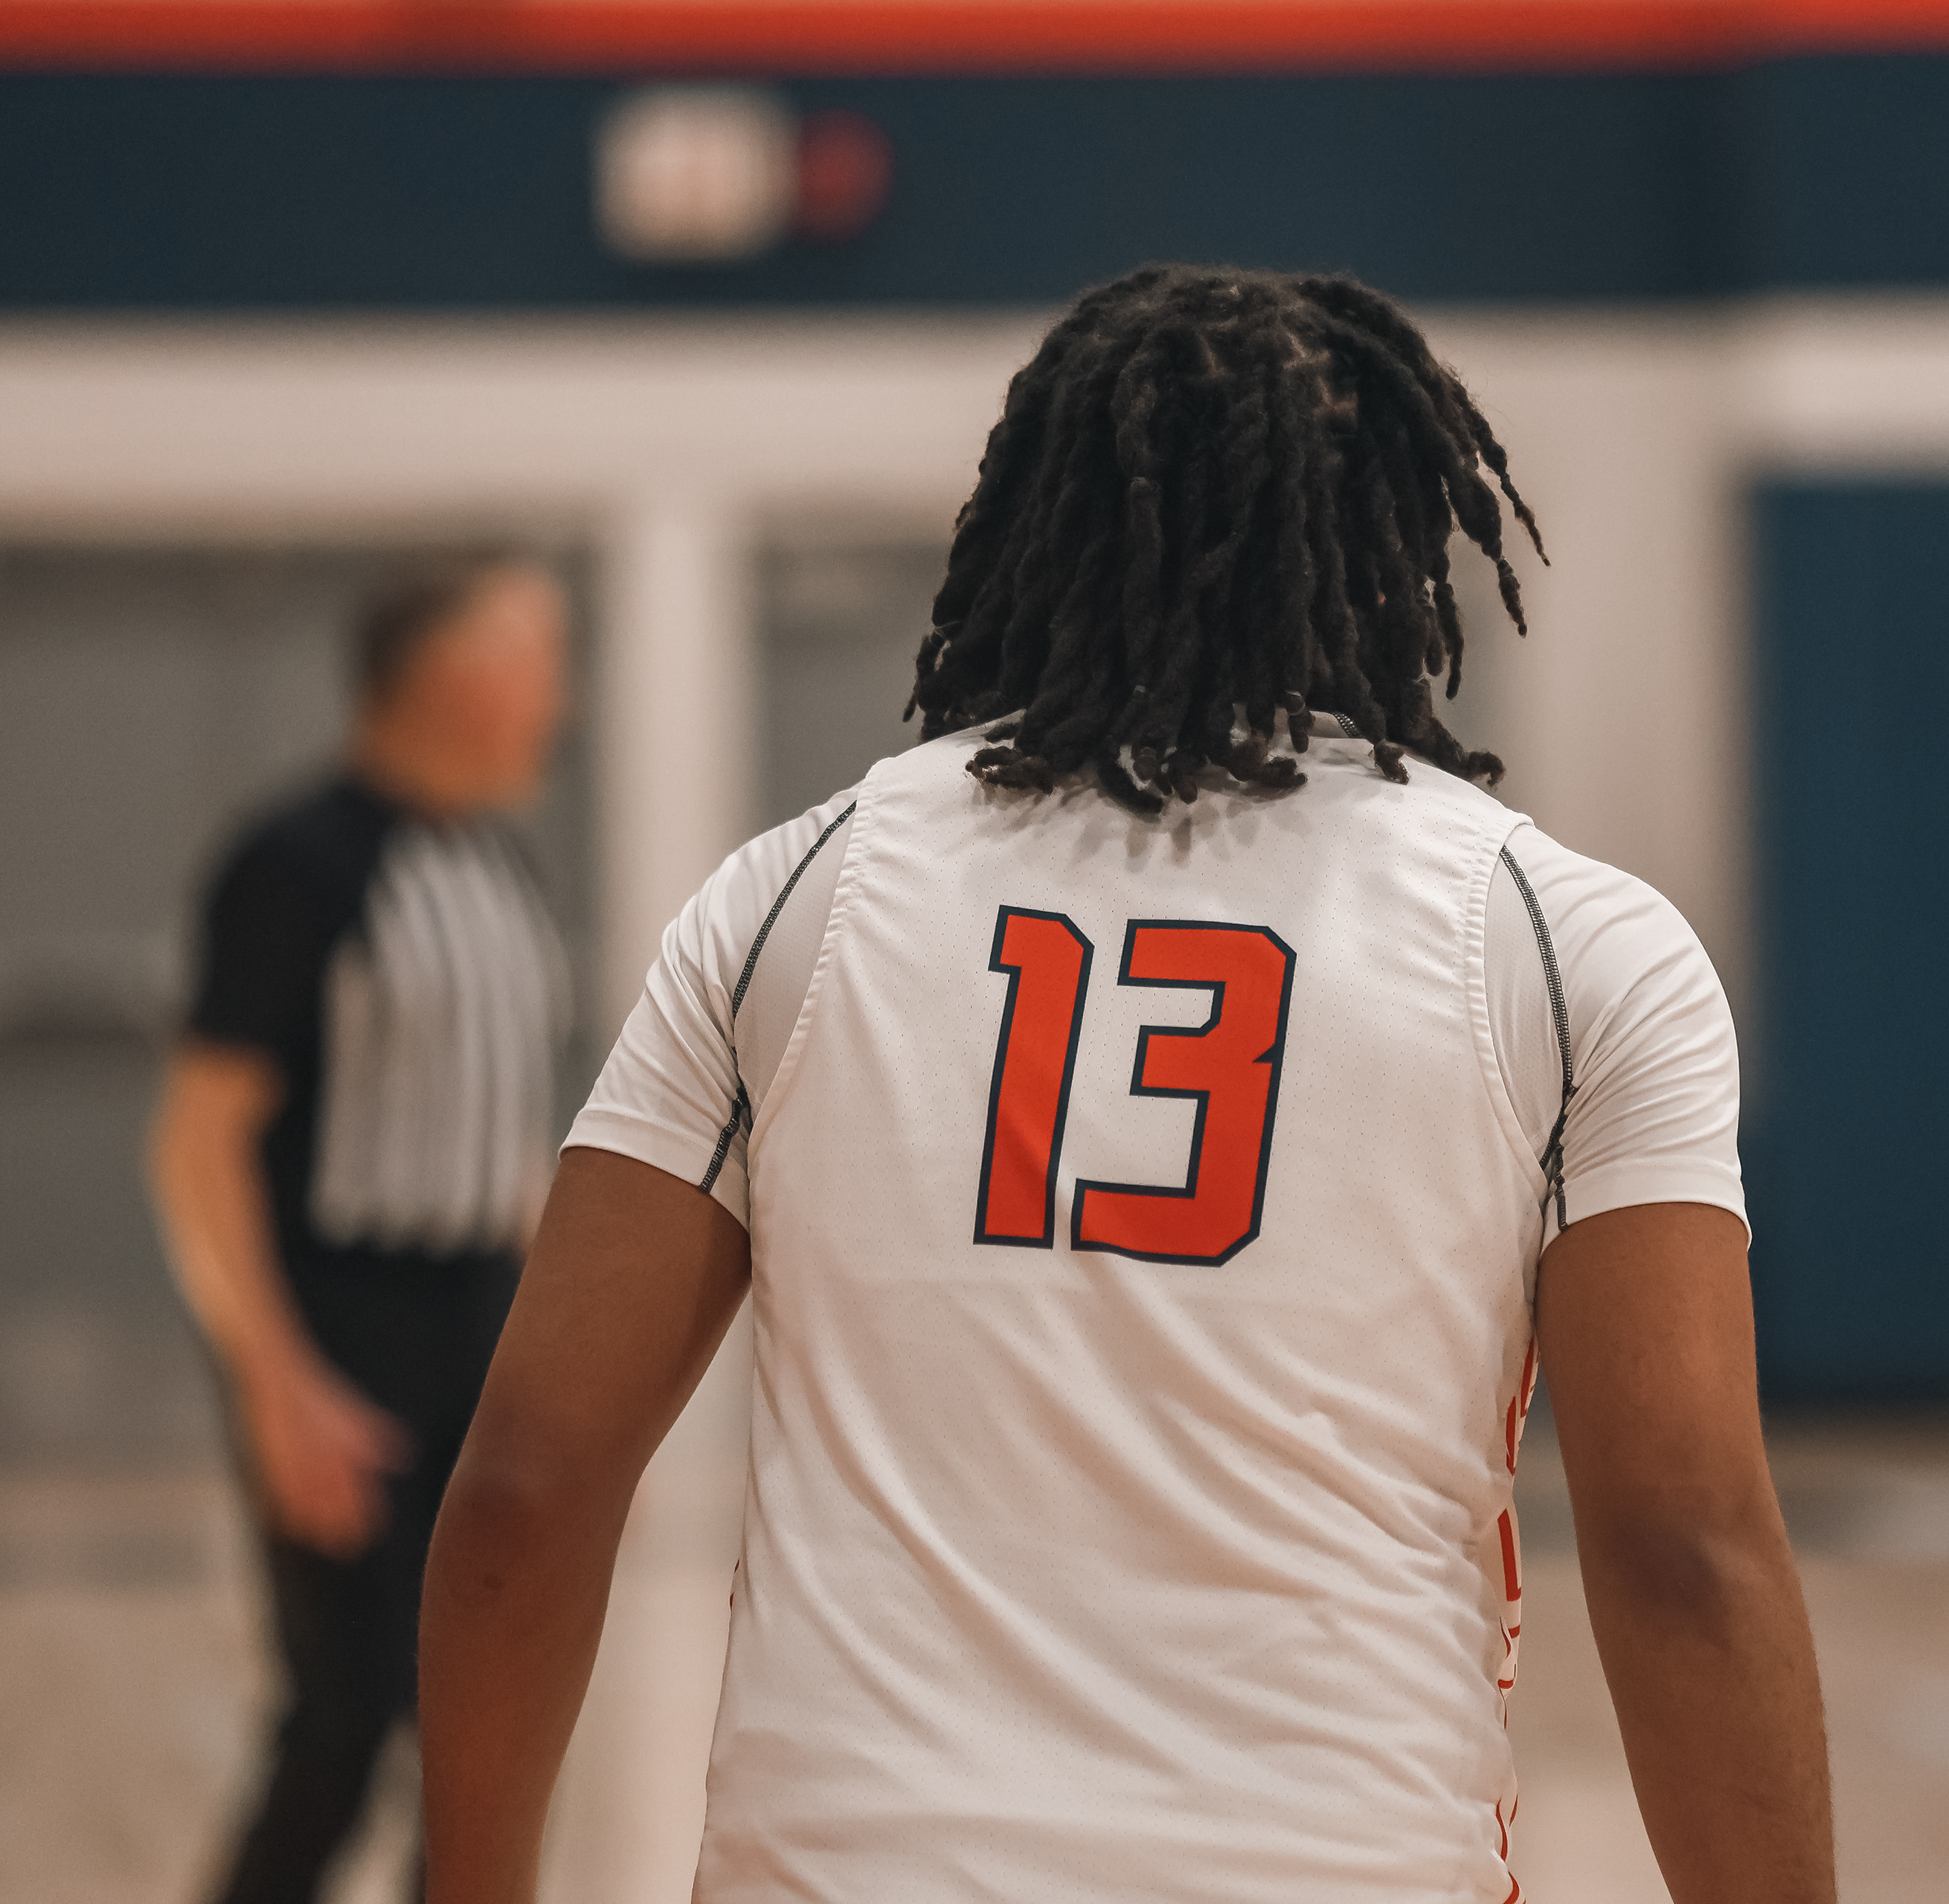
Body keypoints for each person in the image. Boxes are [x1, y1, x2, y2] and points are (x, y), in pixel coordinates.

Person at [422, 266, 1832, 1903]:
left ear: (1029, 522)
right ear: (1395, 548)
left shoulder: (794, 897)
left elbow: (528, 1480)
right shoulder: (1568, 943)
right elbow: (1681, 1544)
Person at [147, 555, 574, 1904]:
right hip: (340, 1331)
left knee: (480, 1731)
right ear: (455, 677)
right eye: (538, 661)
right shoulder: (297, 865)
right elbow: (198, 1143)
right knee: (341, 1720)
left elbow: (496, 1127)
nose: (558, 699)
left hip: (479, 1328)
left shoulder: (498, 862)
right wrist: (274, 1384)